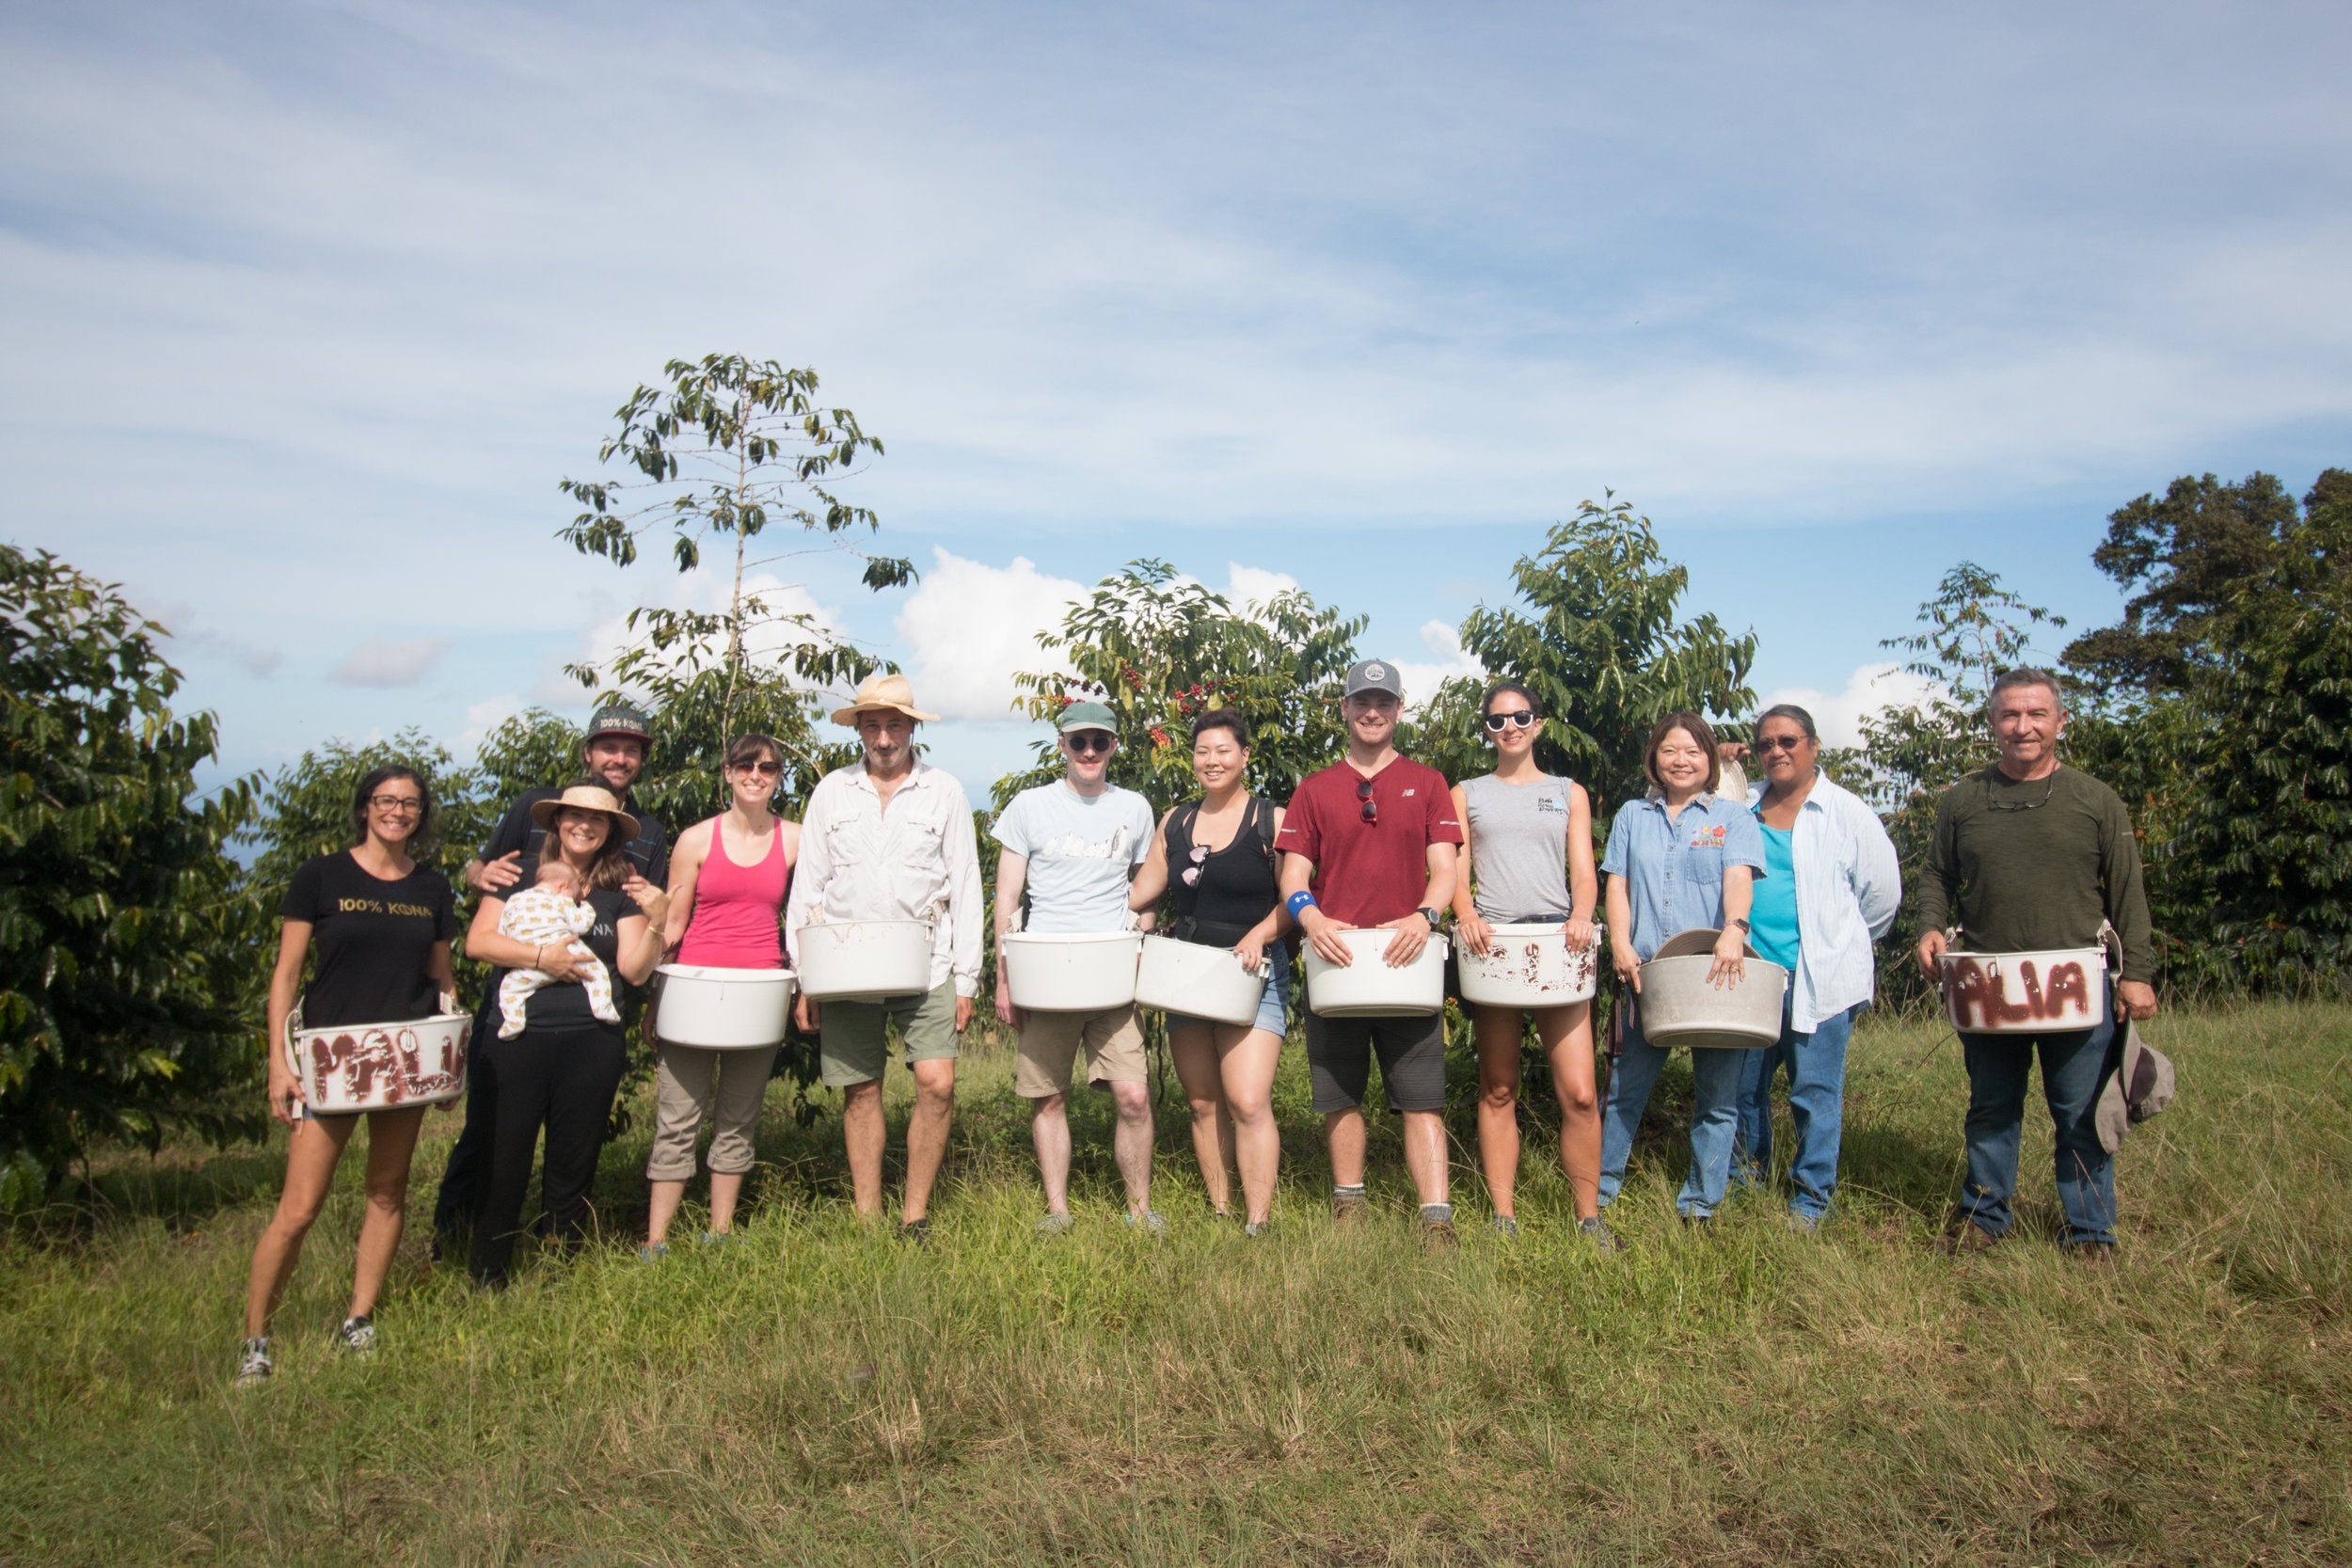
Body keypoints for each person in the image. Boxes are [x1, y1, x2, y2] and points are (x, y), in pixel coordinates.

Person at [1917, 667, 2157, 1263]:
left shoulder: (2095, 798)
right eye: (2010, 715)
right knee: (1991, 1107)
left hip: (2075, 983)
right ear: (1993, 722)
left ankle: (2090, 1232)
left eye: (2036, 715)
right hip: (1988, 983)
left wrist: (2138, 973)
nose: (2023, 727)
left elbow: (2127, 889)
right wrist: (1929, 925)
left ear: (2059, 721)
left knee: (2078, 1111)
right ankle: (1985, 1217)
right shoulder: (1963, 800)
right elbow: (1936, 875)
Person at [241, 767, 458, 1385]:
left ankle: (358, 1319)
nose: (398, 811)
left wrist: (446, 1062)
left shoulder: (433, 886)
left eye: (410, 803)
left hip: (404, 1056)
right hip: (331, 1059)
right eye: (386, 800)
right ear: (365, 807)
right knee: (299, 1207)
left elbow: (441, 978)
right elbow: (286, 975)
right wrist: (278, 1061)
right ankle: (257, 1337)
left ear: (421, 814)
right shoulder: (322, 875)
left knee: (388, 1191)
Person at [432, 701, 670, 1252]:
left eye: (631, 749)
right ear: (588, 753)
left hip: (593, 1027)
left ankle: (555, 1256)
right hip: (517, 1019)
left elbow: (639, 926)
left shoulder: (649, 834)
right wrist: (477, 880)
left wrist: (657, 935)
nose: (619, 757)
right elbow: (488, 877)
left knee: (572, 1150)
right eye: (609, 746)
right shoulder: (530, 808)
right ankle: (456, 1237)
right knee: (490, 1141)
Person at [785, 673, 982, 1243]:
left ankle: (914, 1214)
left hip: (929, 961)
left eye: (894, 724)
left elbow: (967, 885)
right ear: (860, 731)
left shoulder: (943, 792)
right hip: (845, 961)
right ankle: (867, 1216)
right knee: (861, 1088)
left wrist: (967, 979)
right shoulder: (832, 793)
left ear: (912, 728)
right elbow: (809, 888)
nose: (884, 736)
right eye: (873, 724)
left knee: (937, 1083)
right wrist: (806, 979)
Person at [1276, 658, 1464, 1251]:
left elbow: (1445, 868)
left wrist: (1426, 914)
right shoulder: (1313, 789)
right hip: (1338, 962)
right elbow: (1295, 872)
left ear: (1400, 710)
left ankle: (1437, 1218)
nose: (1373, 712)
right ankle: (1348, 1206)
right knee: (1340, 1095)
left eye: (1383, 702)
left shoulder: (1429, 782)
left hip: (1408, 960)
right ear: (1345, 710)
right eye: (1362, 702)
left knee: (1422, 1097)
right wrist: (1309, 915)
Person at [464, 783, 668, 1287]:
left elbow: (635, 971)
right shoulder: (516, 879)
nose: (584, 825)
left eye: (596, 820)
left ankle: (561, 1269)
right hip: (517, 1039)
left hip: (591, 1042)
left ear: (609, 833)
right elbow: (478, 943)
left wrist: (659, 925)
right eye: (574, 815)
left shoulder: (618, 892)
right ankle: (489, 1272)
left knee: (573, 1164)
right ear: (556, 822)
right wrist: (541, 959)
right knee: (504, 1157)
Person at [1447, 680, 1609, 1245]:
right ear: (1486, 730)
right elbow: (1456, 872)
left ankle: (1589, 1217)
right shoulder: (1466, 792)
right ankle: (1503, 1217)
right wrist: (1464, 912)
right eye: (1496, 720)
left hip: (1560, 946)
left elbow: (1583, 871)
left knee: (1581, 1093)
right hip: (1494, 947)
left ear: (1539, 724)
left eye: (1520, 717)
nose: (1509, 727)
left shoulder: (1570, 792)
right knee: (1497, 1087)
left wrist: (1583, 915)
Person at [1729, 704, 1901, 1229]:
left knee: (1814, 1092)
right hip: (1751, 974)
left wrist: (1840, 945)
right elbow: (1674, 801)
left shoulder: (1846, 812)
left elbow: (1883, 897)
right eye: (1765, 744)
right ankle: (1745, 1183)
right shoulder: (1740, 806)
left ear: (1814, 745)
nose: (1777, 752)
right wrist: (1719, 759)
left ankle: (1810, 1199)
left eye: (1788, 741)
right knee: (1742, 1089)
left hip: (1820, 978)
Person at [995, 700, 1162, 1232]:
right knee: (1049, 1096)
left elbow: (1146, 886)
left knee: (1134, 1095)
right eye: (1078, 742)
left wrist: (1145, 930)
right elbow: (1007, 897)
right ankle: (1058, 1211)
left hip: (1112, 974)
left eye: (1100, 742)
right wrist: (1004, 976)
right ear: (1062, 746)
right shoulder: (1028, 806)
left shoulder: (1135, 807)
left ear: (1115, 746)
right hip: (1046, 974)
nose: (1089, 752)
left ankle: (1140, 1210)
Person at [1596, 711, 1766, 1225]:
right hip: (1649, 972)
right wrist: (1621, 946)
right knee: (1626, 1090)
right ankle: (1598, 1196)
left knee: (1717, 1098)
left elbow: (1739, 878)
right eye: (1671, 750)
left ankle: (1701, 1205)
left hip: (1716, 971)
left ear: (1710, 760)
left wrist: (1735, 928)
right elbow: (1618, 885)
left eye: (1693, 751)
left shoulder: (1733, 818)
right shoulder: (1631, 815)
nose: (1681, 760)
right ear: (1654, 759)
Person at [1127, 708, 1291, 1234]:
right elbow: (1140, 893)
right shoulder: (1174, 821)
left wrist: (1260, 934)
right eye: (1202, 751)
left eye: (1223, 751)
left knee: (1246, 1099)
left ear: (1245, 757)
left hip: (1254, 971)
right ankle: (1222, 1211)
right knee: (1202, 1101)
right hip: (1186, 974)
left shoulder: (1272, 819)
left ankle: (1258, 1219)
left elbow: (1297, 900)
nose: (1212, 760)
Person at [644, 734, 800, 1256]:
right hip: (694, 990)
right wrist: (654, 1001)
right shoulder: (696, 840)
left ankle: (721, 1231)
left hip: (759, 992)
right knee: (677, 1118)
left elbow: (809, 912)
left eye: (769, 767)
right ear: (728, 772)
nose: (757, 774)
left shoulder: (796, 838)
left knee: (738, 1118)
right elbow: (672, 925)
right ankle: (657, 1238)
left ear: (779, 777)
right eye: (746, 765)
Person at [493, 862, 618, 1037]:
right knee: (597, 971)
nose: (575, 900)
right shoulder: (562, 901)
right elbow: (581, 926)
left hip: (527, 966)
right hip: (566, 952)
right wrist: (587, 909)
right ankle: (603, 1007)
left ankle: (513, 1021)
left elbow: (502, 932)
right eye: (575, 896)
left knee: (509, 989)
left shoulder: (514, 900)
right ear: (562, 886)